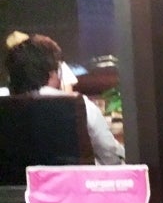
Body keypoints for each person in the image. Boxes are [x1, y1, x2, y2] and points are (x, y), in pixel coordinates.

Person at [5, 33, 124, 164]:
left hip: (18, 178)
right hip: (74, 177)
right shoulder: (79, 105)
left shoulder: (6, 108)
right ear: (52, 73)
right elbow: (109, 155)